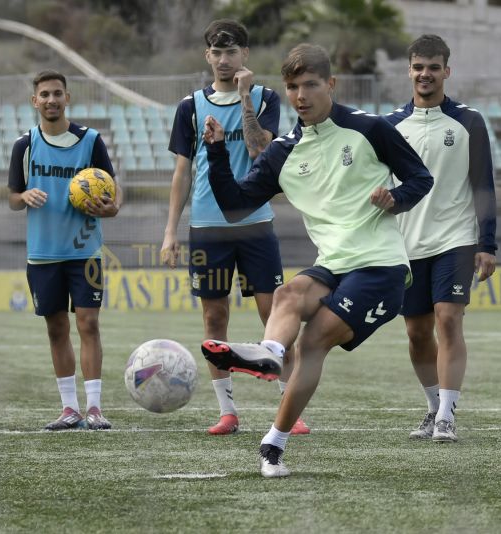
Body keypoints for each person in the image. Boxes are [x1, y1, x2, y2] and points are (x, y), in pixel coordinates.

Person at [199, 43, 434, 477]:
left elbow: (421, 177)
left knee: (311, 344)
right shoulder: (282, 152)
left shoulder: (371, 128)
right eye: (292, 87)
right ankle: (270, 355)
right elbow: (234, 206)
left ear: (331, 84)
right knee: (287, 294)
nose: (301, 95)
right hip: (333, 264)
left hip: (381, 266)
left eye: (310, 85)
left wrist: (395, 198)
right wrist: (215, 151)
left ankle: (274, 442)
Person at [161, 19, 309, 436]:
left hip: (255, 225)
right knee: (215, 316)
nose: (224, 60)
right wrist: (171, 231)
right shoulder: (190, 107)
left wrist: (244, 97)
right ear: (207, 56)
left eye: (231, 52)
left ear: (245, 54)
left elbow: (261, 149)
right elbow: (182, 172)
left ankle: (290, 409)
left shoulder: (265, 98)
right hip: (207, 228)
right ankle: (228, 412)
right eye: (217, 52)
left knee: (274, 315)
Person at [385, 34, 497, 443]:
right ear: (409, 71)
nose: (425, 74)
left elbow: (483, 185)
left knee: (448, 319)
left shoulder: (470, 122)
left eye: (433, 67)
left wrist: (487, 244)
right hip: (407, 243)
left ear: (447, 71)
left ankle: (448, 416)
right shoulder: (389, 126)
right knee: (417, 332)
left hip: (457, 238)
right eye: (418, 67)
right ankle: (433, 407)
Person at [7, 70, 122, 431]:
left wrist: (110, 208)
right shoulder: (25, 145)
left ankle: (95, 408)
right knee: (56, 328)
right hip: (43, 254)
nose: (51, 100)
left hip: (85, 252)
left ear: (67, 98)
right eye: (44, 94)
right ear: (35, 101)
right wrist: (24, 196)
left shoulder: (90, 141)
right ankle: (69, 408)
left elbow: (113, 193)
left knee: (89, 323)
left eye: (57, 93)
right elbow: (12, 198)